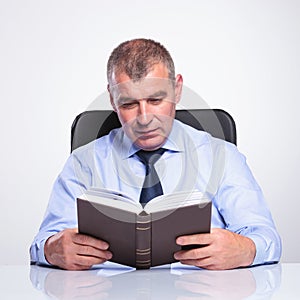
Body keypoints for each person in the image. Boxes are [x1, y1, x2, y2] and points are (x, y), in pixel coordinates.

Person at [30, 38, 281, 270]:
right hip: (107, 291)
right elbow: (41, 243)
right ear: (112, 98)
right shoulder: (83, 163)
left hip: (200, 291)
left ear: (177, 89)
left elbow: (268, 239)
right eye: (128, 104)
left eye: (156, 100)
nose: (145, 119)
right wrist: (52, 250)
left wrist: (247, 250)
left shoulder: (222, 157)